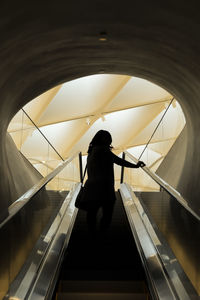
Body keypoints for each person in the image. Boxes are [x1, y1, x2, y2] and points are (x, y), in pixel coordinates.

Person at [84, 130, 145, 236]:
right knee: (107, 213)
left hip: (91, 187)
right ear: (105, 139)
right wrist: (136, 165)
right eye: (108, 138)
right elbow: (119, 161)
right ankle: (102, 234)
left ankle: (92, 235)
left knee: (92, 213)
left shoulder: (91, 151)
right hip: (104, 188)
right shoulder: (104, 151)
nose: (109, 141)